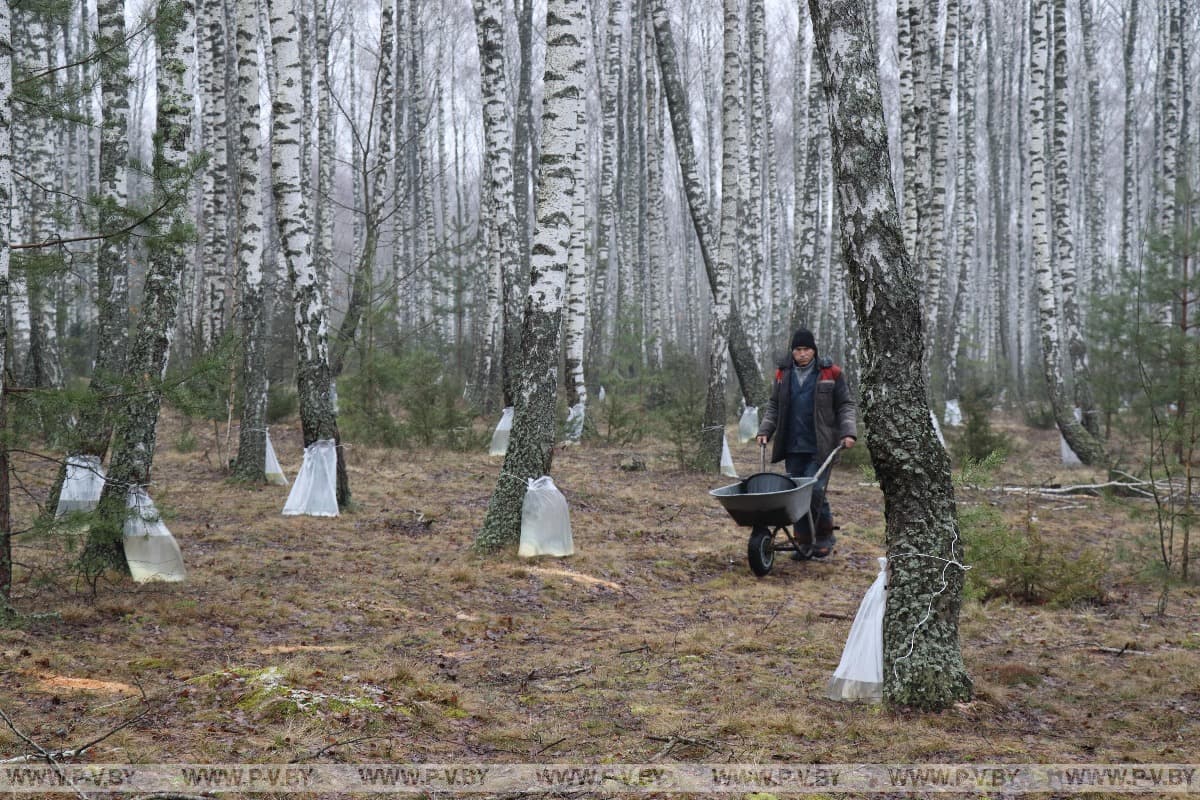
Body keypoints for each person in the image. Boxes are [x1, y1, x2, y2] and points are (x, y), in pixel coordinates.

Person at [756, 328, 857, 559]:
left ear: (814, 350)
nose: (802, 354)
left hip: (820, 445)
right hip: (793, 445)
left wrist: (848, 432)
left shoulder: (831, 373)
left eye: (806, 349)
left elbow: (845, 405)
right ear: (792, 352)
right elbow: (774, 406)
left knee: (815, 490)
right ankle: (803, 542)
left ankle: (823, 538)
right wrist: (765, 430)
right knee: (795, 494)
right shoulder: (783, 374)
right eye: (798, 350)